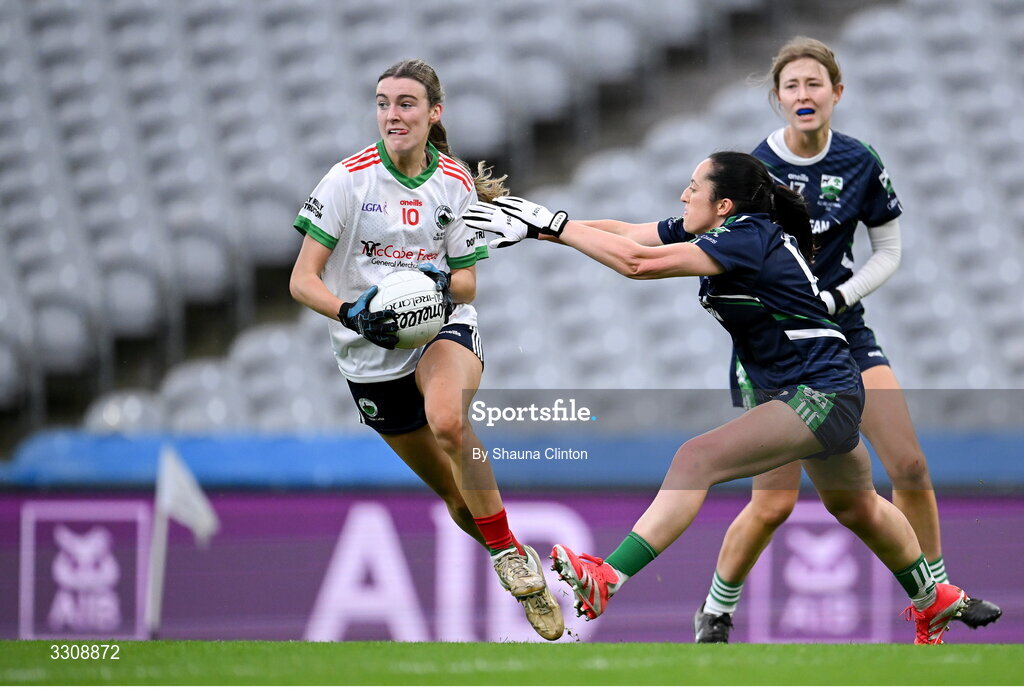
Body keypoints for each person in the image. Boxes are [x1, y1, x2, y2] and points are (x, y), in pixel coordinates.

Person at [464, 151, 969, 644]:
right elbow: (627, 233)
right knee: (857, 506)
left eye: (694, 187)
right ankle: (933, 597)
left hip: (819, 387)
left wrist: (554, 224)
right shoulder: (725, 230)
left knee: (696, 458)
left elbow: (638, 263)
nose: (684, 194)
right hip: (813, 386)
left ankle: (609, 577)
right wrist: (543, 227)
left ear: (723, 205)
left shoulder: (747, 236)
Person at [678, 36, 998, 642]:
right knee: (773, 502)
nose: (804, 94)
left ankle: (938, 600)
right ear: (777, 98)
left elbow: (889, 250)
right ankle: (717, 612)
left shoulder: (860, 161)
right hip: (779, 343)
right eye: (792, 86)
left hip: (842, 328)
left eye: (814, 84)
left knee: (909, 463)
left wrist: (838, 298)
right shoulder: (752, 170)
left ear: (836, 93)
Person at [289, 58, 563, 641]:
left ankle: (511, 563)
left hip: (442, 327)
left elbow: (466, 283)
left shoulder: (454, 183)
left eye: (406, 103)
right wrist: (352, 313)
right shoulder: (347, 181)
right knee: (458, 501)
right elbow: (302, 280)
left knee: (448, 421)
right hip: (367, 354)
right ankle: (510, 551)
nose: (393, 114)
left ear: (433, 113)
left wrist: (435, 284)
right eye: (384, 102)